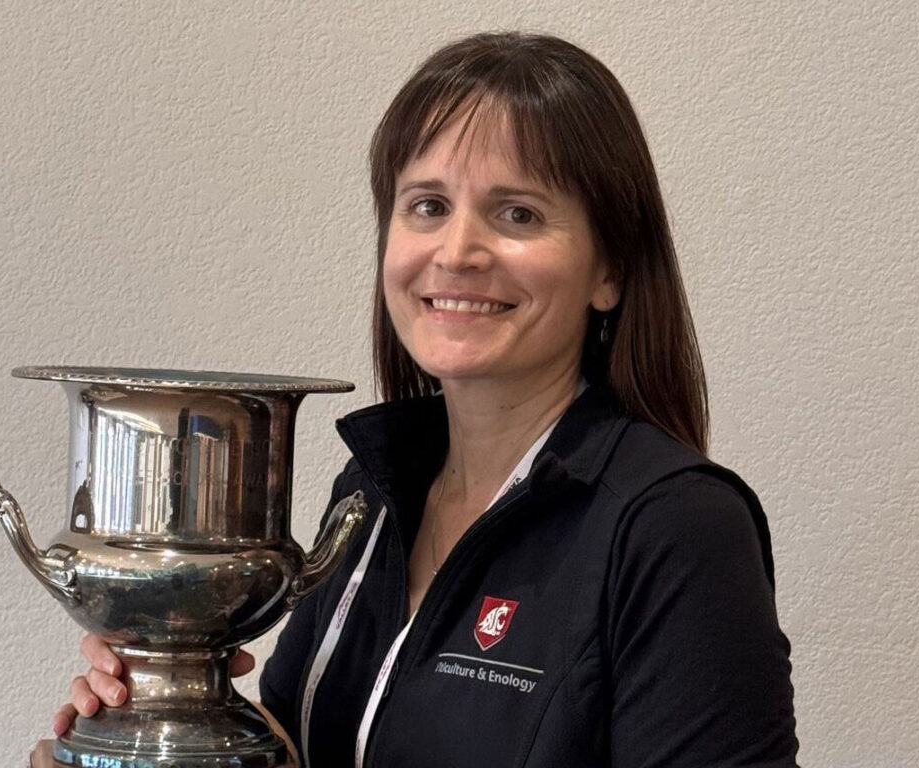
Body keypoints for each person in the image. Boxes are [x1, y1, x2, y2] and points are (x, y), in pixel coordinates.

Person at [43, 31, 798, 767]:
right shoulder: (370, 498)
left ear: (610, 271)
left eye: (519, 214)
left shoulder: (675, 528)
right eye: (428, 206)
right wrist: (164, 721)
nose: (457, 251)